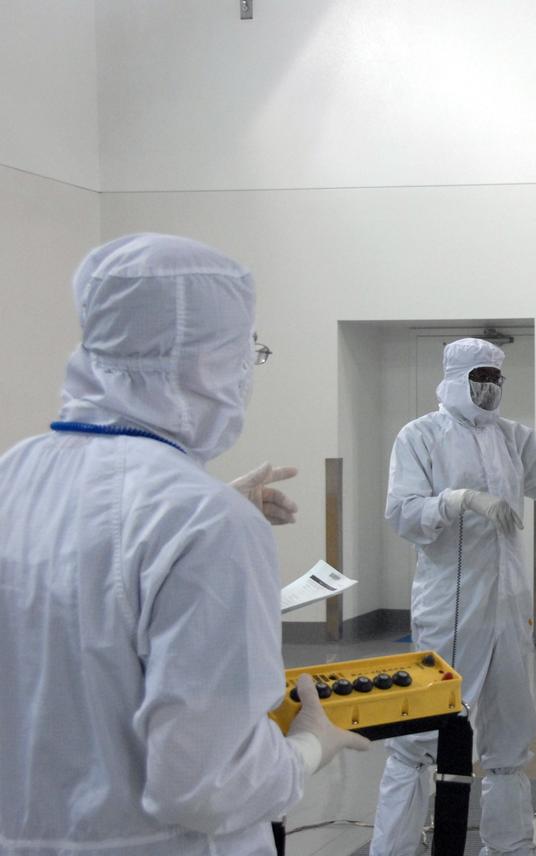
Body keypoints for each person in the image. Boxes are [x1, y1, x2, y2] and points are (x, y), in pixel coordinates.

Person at [0, 234, 368, 855]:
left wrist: (203, 509)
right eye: (247, 350)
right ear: (204, 361)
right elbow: (207, 784)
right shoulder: (207, 523)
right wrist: (309, 746)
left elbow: (82, 603)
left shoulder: (16, 475)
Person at [372, 338, 536, 856]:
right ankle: (393, 848)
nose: (490, 388)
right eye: (480, 377)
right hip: (451, 607)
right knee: (420, 735)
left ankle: (509, 844)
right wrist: (461, 501)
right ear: (457, 377)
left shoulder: (510, 437)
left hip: (508, 607)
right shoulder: (420, 436)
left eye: (497, 378)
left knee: (509, 734)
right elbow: (403, 513)